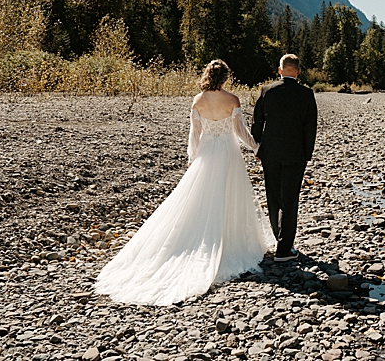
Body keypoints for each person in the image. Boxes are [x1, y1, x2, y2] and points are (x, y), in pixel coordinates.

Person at [94, 60, 274, 306]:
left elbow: (195, 133)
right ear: (225, 78)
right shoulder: (232, 100)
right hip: (228, 154)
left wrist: (192, 157)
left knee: (201, 198)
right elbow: (240, 131)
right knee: (228, 196)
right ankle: (228, 240)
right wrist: (255, 147)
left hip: (208, 153)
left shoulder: (198, 100)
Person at [251, 53, 318, 262]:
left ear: (280, 70)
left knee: (273, 195)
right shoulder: (306, 94)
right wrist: (307, 153)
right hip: (295, 153)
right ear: (297, 71)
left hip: (270, 152)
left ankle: (276, 235)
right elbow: (310, 127)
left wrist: (258, 146)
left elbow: (257, 122)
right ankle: (284, 248)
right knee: (290, 199)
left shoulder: (267, 91)